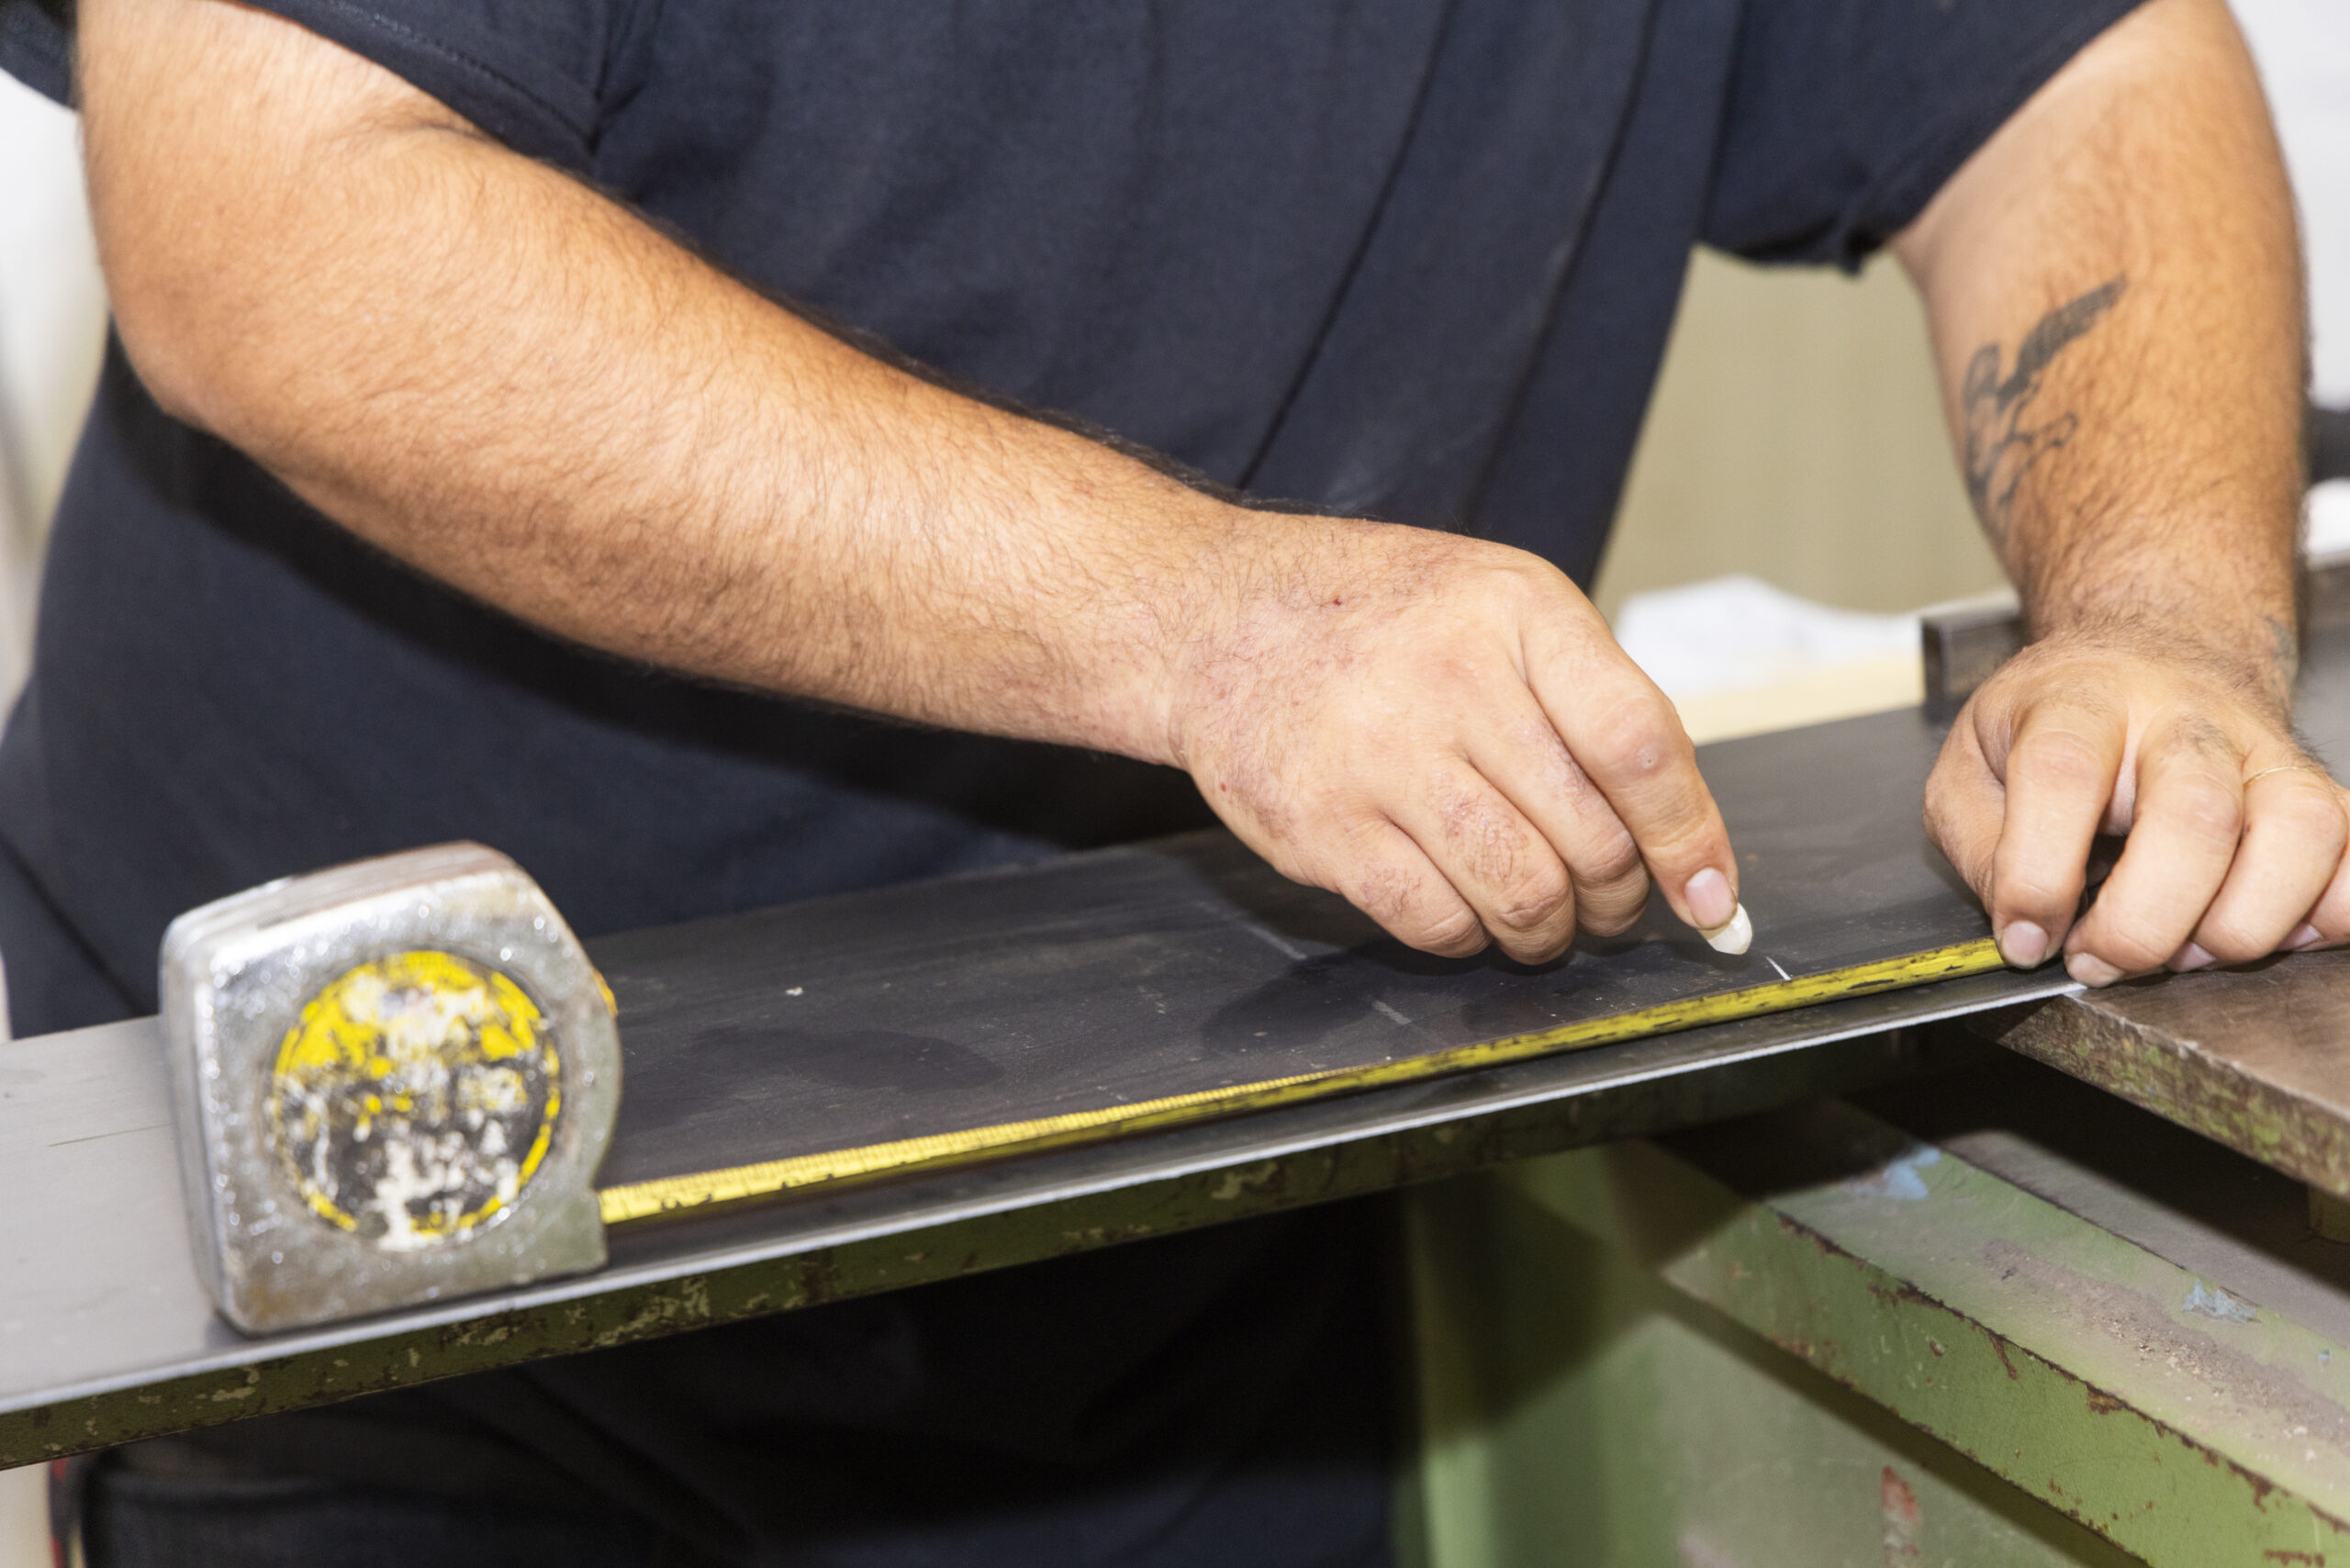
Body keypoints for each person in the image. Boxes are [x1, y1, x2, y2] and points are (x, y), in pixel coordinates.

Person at [0, 0, 2332, 1561]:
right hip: (421, 1224)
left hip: (1193, 1206)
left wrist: (2157, 612)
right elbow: (278, 217)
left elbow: (2080, 81)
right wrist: (1202, 622)